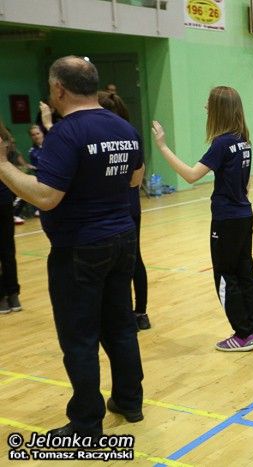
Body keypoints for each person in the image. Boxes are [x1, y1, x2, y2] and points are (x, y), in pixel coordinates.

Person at [0, 55, 146, 438]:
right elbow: (135, 179)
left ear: (59, 89)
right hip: (122, 239)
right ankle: (129, 401)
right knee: (120, 326)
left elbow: (46, 197)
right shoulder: (124, 127)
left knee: (79, 337)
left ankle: (85, 423)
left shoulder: (66, 133)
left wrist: (3, 165)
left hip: (80, 247)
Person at [151, 85, 253, 351]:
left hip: (226, 220)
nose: (205, 108)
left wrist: (162, 147)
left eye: (209, 104)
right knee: (245, 272)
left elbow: (191, 176)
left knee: (225, 275)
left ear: (219, 110)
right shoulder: (243, 140)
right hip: (244, 215)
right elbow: (247, 185)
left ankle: (242, 334)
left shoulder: (222, 143)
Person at [98, 91, 151, 331]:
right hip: (131, 204)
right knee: (133, 258)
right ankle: (140, 313)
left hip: (114, 206)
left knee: (113, 262)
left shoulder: (99, 137)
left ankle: (123, 314)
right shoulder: (131, 134)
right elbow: (137, 177)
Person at [0, 122, 20, 313]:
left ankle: (6, 296)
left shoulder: (5, 140)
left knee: (6, 250)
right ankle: (12, 295)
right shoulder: (6, 139)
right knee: (7, 249)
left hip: (3, 198)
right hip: (5, 199)